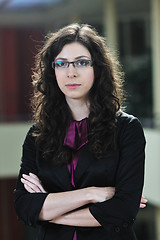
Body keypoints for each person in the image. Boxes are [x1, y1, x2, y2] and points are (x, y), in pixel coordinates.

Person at [14, 23, 147, 240]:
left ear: (98, 68)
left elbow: (123, 211)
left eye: (82, 63)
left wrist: (48, 210)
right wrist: (91, 194)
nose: (71, 72)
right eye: (61, 63)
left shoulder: (127, 129)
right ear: (52, 70)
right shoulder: (37, 135)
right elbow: (24, 206)